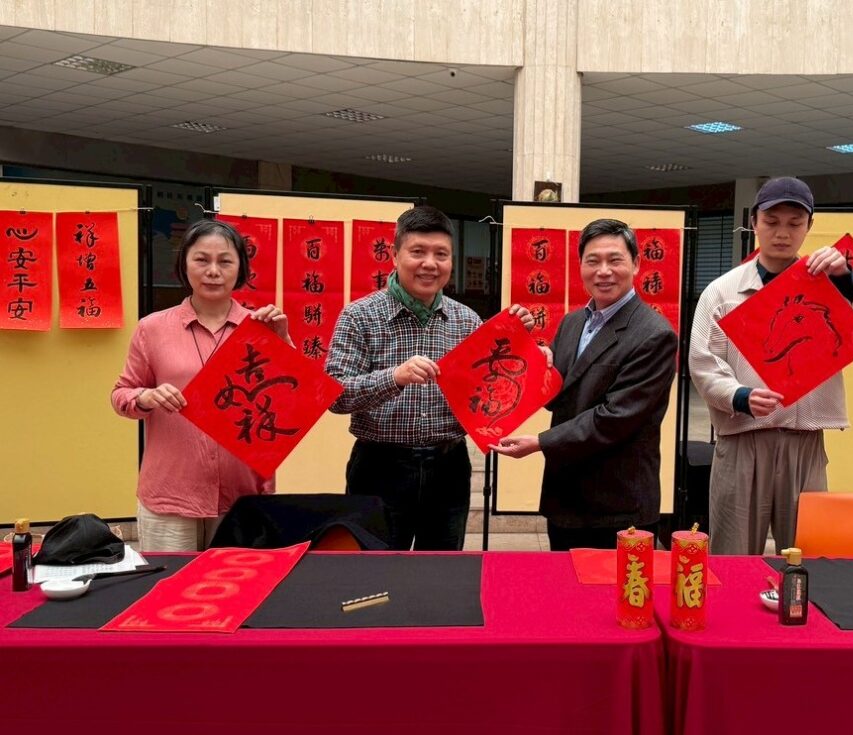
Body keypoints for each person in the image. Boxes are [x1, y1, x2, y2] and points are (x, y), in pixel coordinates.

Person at [689, 177, 853, 555]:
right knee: (733, 552)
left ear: (810, 225)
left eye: (795, 223)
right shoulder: (723, 291)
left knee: (807, 552)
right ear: (753, 221)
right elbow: (703, 362)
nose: (782, 233)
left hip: (805, 441)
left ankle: (801, 598)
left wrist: (848, 280)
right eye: (772, 221)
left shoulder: (830, 282)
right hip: (743, 439)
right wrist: (739, 395)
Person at [325, 205, 535, 551]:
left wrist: (519, 341)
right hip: (380, 467)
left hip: (448, 467)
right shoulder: (359, 316)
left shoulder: (467, 320)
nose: (430, 264)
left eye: (441, 254)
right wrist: (395, 377)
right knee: (375, 570)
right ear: (395, 255)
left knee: (441, 569)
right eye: (418, 252)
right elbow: (335, 395)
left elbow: (489, 388)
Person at [491, 218, 678, 551]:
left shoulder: (654, 334)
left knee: (616, 586)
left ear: (636, 263)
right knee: (563, 582)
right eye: (593, 261)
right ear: (580, 266)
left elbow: (615, 418)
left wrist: (539, 442)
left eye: (614, 260)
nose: (603, 271)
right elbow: (555, 395)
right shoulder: (572, 322)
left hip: (618, 504)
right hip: (564, 498)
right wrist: (529, 356)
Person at [111, 219, 292, 552]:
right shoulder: (152, 328)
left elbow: (290, 402)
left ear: (240, 268)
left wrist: (282, 343)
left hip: (243, 496)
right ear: (184, 264)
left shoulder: (261, 327)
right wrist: (146, 396)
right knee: (171, 581)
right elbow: (121, 394)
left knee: (236, 582)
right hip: (171, 494)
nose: (213, 271)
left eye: (225, 261)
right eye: (202, 260)